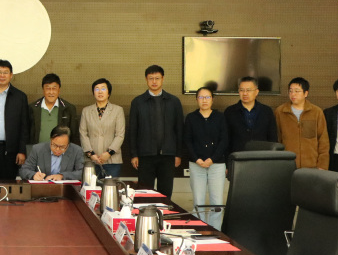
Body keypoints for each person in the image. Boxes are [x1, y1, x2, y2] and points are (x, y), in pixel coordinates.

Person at [129, 65, 184, 197]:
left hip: (168, 156)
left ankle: (163, 211)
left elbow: (179, 129)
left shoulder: (174, 101)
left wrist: (178, 154)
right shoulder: (138, 102)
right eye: (151, 78)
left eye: (157, 78)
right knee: (144, 193)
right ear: (146, 79)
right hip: (145, 156)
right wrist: (134, 154)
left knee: (165, 194)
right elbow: (133, 130)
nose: (154, 81)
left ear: (163, 79)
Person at [183, 87, 228, 230]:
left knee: (217, 201)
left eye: (207, 97)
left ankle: (216, 231)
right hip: (197, 164)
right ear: (196, 100)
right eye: (201, 97)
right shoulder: (191, 118)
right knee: (198, 201)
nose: (204, 100)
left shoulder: (220, 117)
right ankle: (199, 230)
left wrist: (212, 159)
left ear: (212, 99)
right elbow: (187, 141)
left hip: (216, 164)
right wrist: (196, 159)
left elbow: (224, 140)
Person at [275, 77, 329, 169]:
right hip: (287, 165)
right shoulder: (280, 112)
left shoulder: (316, 112)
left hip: (312, 165)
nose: (293, 94)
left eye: (297, 91)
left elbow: (323, 141)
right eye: (290, 91)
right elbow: (277, 139)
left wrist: (322, 165)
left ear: (306, 93)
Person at [79, 78, 125, 178]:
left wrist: (108, 153)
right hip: (91, 160)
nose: (100, 92)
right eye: (97, 89)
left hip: (112, 161)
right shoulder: (86, 111)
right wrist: (91, 154)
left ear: (109, 93)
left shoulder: (118, 110)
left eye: (103, 89)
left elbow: (120, 135)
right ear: (93, 93)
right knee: (90, 186)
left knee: (110, 187)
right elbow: (83, 134)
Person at [223, 76, 278, 154]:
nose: (245, 93)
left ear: (256, 92)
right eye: (242, 90)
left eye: (248, 90)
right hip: (238, 156)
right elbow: (225, 138)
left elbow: (273, 138)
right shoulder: (230, 112)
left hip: (262, 156)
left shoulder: (266, 111)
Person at [19, 125, 85, 181]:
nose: (57, 149)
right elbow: (23, 170)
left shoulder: (76, 151)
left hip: (66, 189)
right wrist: (33, 175)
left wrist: (62, 176)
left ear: (68, 144)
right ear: (50, 139)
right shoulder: (37, 149)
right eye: (54, 145)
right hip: (42, 188)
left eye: (62, 147)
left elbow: (82, 172)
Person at [30, 73, 77, 144]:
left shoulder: (69, 109)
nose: (51, 92)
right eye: (48, 88)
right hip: (38, 149)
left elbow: (74, 135)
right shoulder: (32, 108)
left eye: (54, 88)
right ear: (43, 90)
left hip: (61, 150)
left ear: (59, 90)